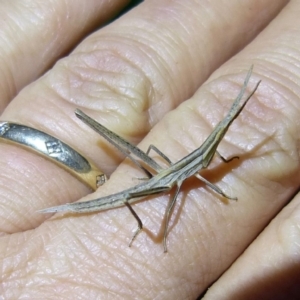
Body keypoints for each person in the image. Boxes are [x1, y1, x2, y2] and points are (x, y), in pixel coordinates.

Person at [0, 0, 298, 299]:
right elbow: (203, 178)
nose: (223, 130)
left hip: (169, 172)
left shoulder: (208, 157)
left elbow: (206, 162)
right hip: (163, 181)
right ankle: (141, 226)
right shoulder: (201, 173)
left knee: (168, 160)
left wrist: (224, 157)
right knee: (137, 199)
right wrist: (216, 196)